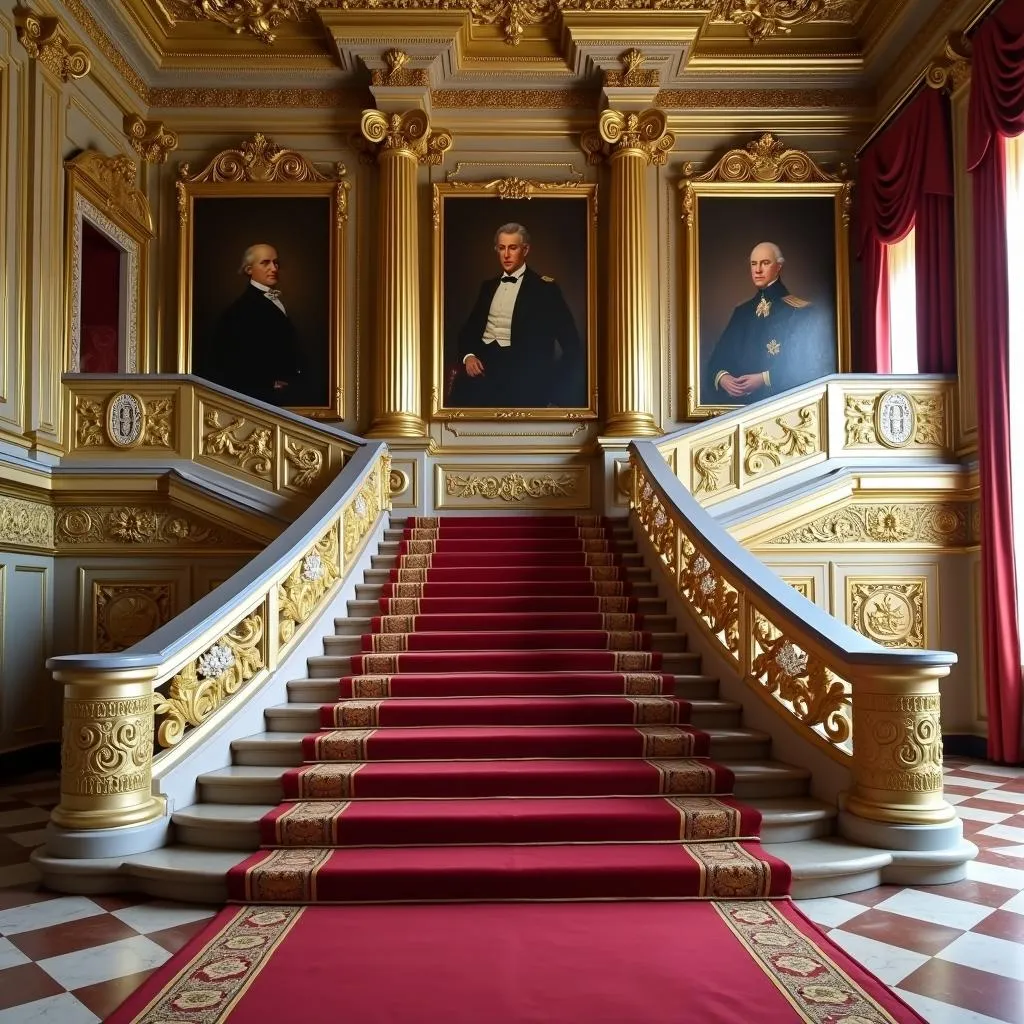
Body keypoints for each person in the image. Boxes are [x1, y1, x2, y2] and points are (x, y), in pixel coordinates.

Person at [449, 223, 585, 408]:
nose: (506, 255)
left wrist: (549, 382)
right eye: (501, 248)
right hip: (482, 377)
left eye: (513, 248)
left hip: (523, 382)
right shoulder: (487, 287)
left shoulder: (545, 289)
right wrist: (469, 357)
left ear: (526, 249)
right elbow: (468, 331)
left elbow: (571, 343)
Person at [703, 241, 832, 406]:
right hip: (739, 412)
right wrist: (723, 378)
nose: (757, 270)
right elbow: (717, 360)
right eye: (753, 264)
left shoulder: (801, 311)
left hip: (781, 409)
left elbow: (809, 366)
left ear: (778, 267)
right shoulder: (742, 312)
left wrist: (765, 379)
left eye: (765, 263)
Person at [201, 243, 305, 407]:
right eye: (265, 263)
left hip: (287, 392)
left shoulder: (272, 299)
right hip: (262, 397)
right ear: (249, 270)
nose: (274, 268)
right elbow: (234, 359)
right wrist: (268, 382)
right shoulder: (242, 309)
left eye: (275, 262)